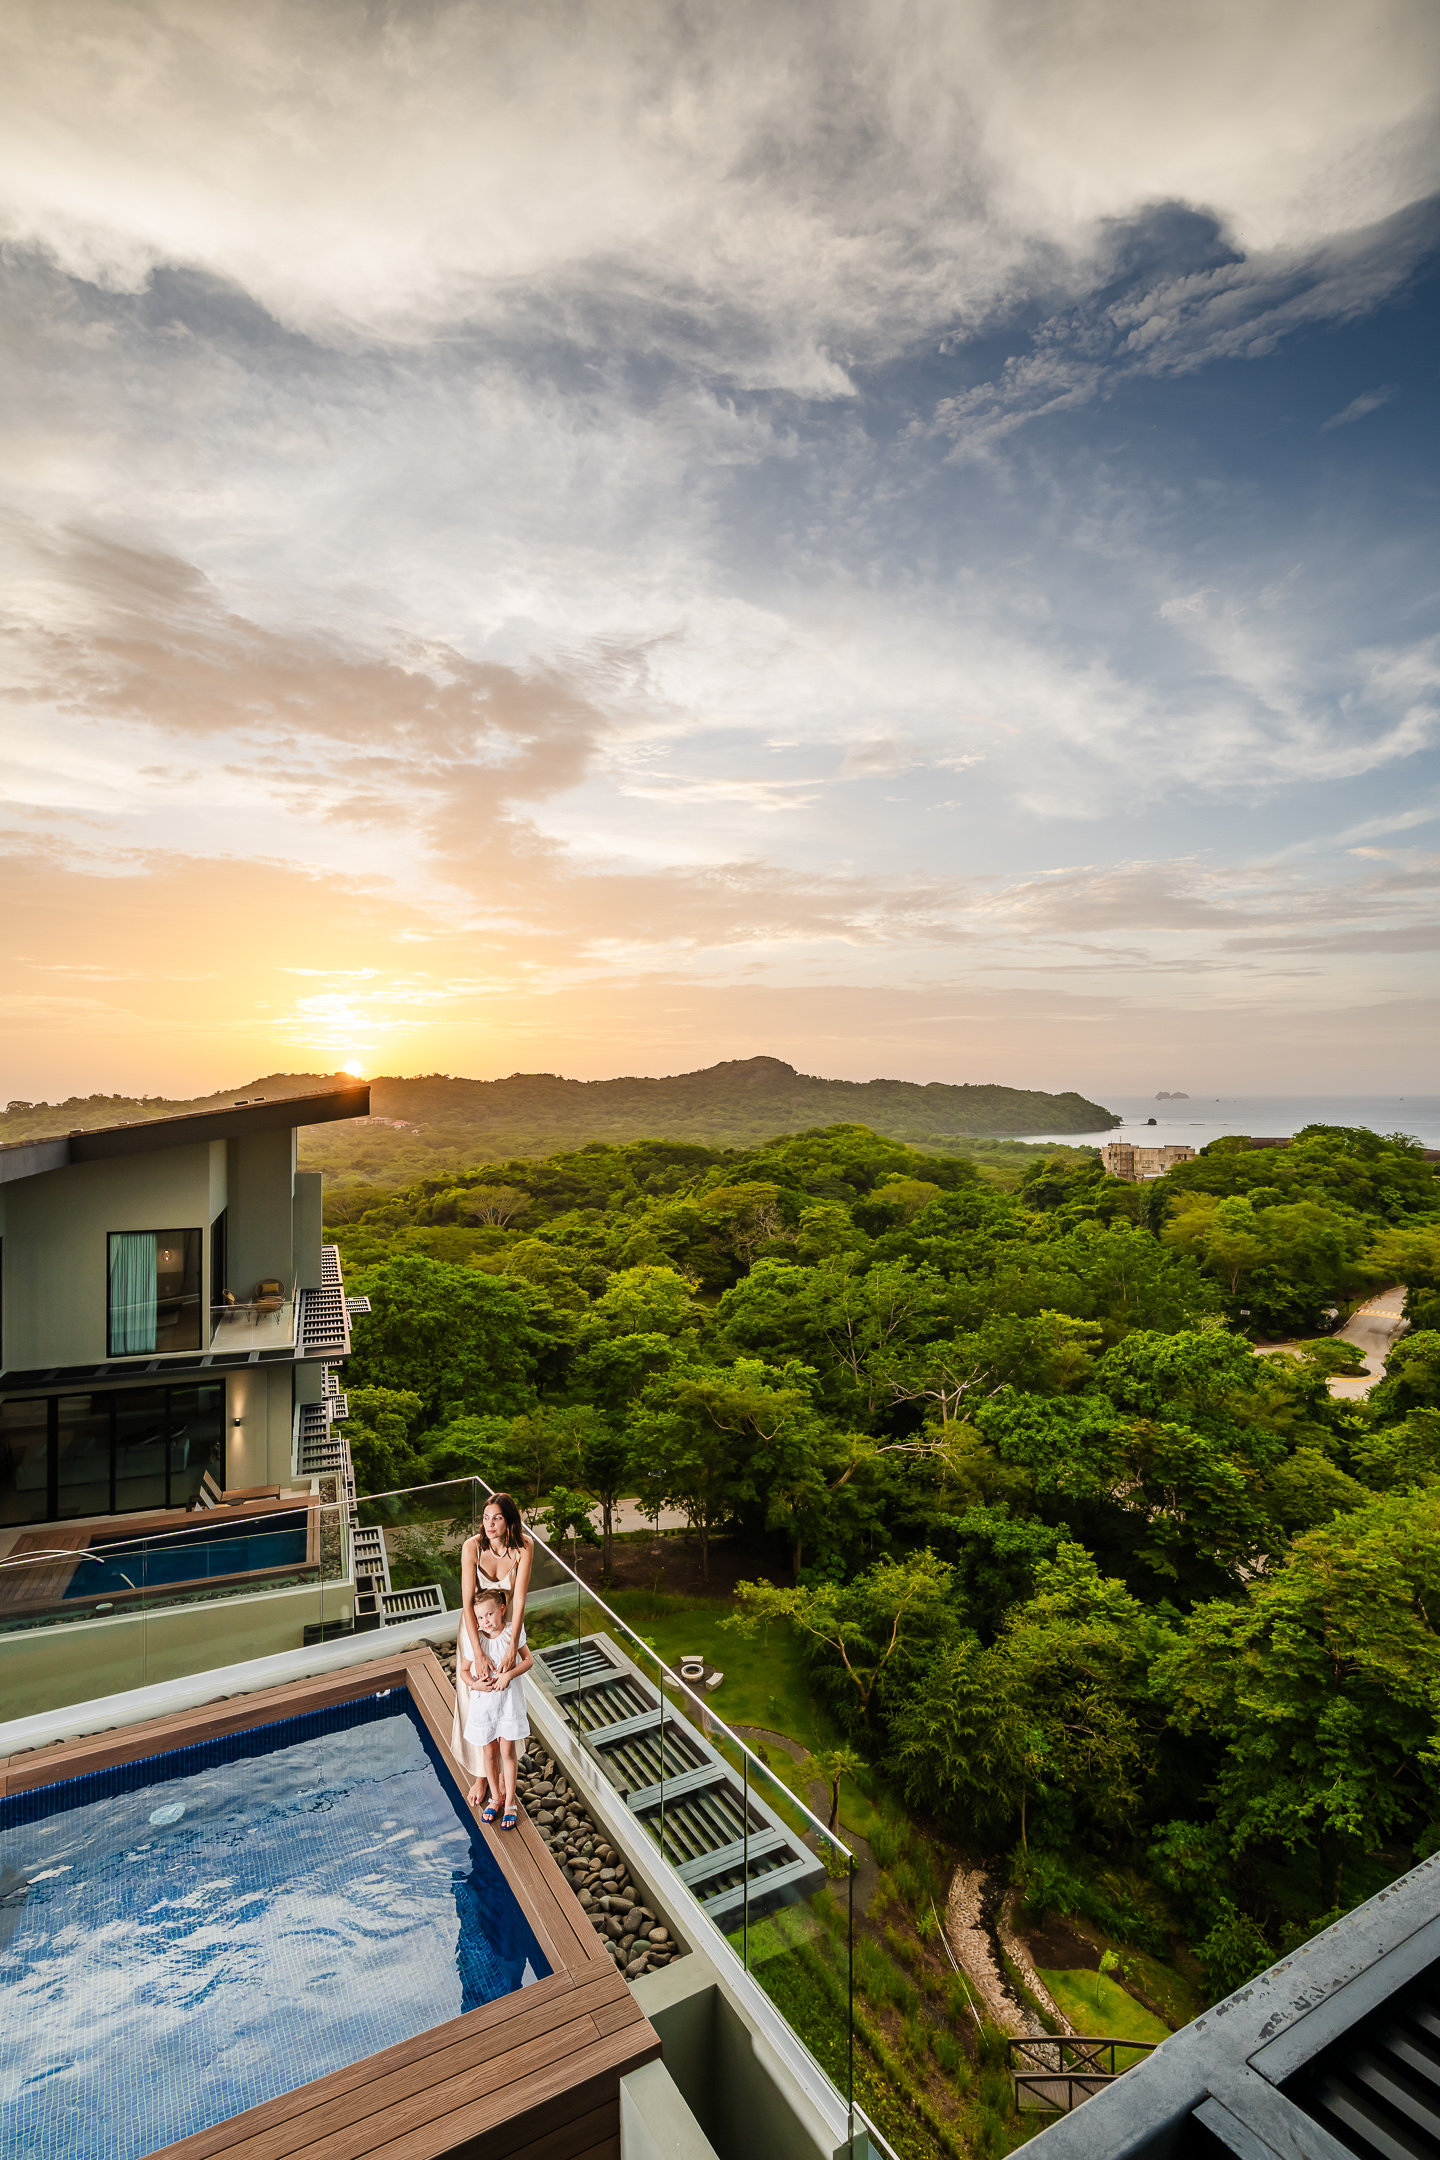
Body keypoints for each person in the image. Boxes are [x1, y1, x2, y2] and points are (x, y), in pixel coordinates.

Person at [450, 1492, 536, 1807]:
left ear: (509, 1520)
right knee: (474, 1698)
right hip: (474, 1629)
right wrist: (478, 1650)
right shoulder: (471, 1547)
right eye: (486, 1518)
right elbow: (465, 1602)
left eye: (497, 1518)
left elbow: (522, 1600)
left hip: (505, 1627)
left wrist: (512, 1646)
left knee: (504, 1695)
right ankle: (481, 1774)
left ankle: (503, 1769)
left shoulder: (525, 1547)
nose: (489, 1524)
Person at [460, 1582, 532, 1830]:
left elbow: (528, 1661)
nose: (486, 1620)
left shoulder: (512, 1633)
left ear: (502, 1609)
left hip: (508, 1706)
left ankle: (510, 1800)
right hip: (484, 1708)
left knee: (507, 1753)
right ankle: (495, 1797)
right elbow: (464, 1671)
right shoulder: (476, 1642)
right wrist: (474, 1686)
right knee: (489, 1752)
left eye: (490, 1614)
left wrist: (508, 1676)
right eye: (480, 1617)